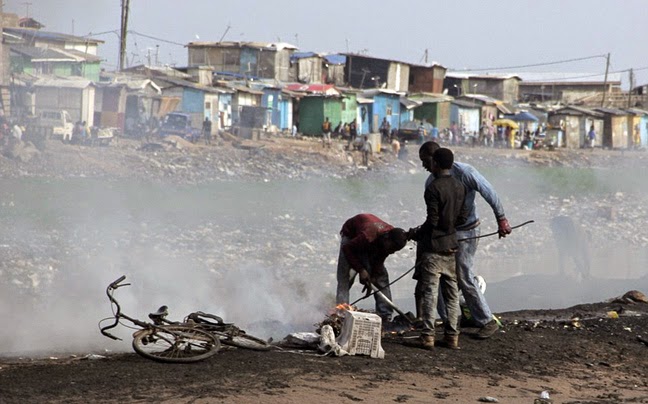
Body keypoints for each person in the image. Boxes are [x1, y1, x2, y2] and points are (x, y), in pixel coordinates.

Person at [416, 141, 512, 339]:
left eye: (425, 161)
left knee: (463, 275)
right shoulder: (431, 182)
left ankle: (487, 320)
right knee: (445, 278)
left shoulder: (465, 173)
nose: (423, 166)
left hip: (467, 231)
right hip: (448, 234)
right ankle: (451, 321)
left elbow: (489, 192)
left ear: (435, 160)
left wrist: (501, 219)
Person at [409, 147, 468, 350]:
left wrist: (417, 233)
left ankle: (427, 337)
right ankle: (452, 337)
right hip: (452, 247)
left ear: (435, 163)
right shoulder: (460, 187)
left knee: (430, 293)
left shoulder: (433, 188)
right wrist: (450, 228)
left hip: (433, 249)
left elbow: (432, 221)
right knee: (452, 295)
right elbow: (462, 217)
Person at [336, 214, 408, 324]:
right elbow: (348, 249)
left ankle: (385, 316)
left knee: (381, 277)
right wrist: (361, 270)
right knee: (345, 277)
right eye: (392, 248)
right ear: (386, 239)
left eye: (395, 250)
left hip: (371, 242)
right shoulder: (368, 236)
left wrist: (372, 277)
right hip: (351, 237)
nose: (392, 252)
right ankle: (341, 315)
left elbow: (379, 260)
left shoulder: (389, 241)